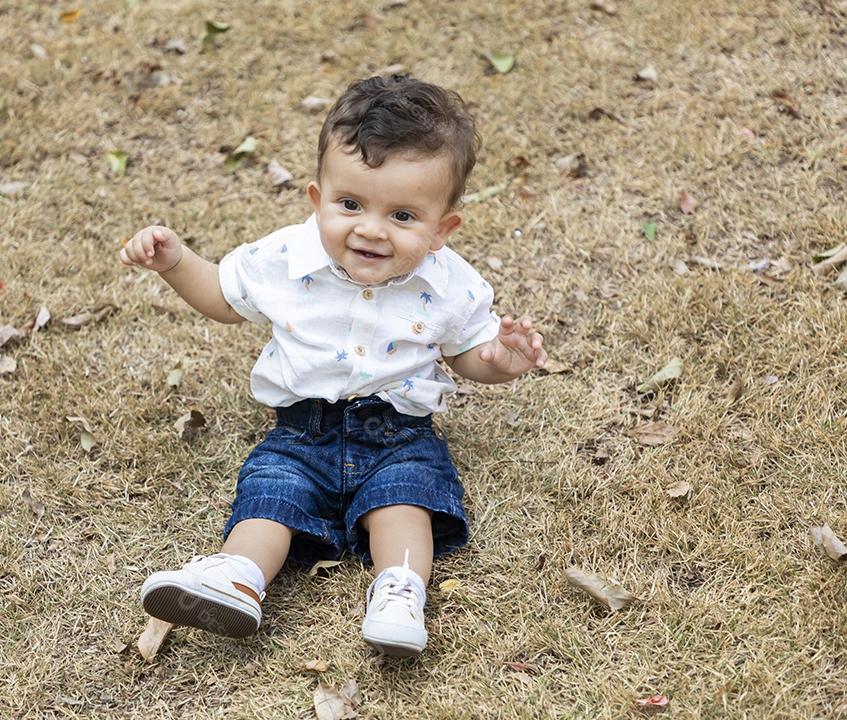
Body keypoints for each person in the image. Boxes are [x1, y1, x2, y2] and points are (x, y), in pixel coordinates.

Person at [119, 74, 547, 657]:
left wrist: (501, 360)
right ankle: (238, 577)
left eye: (402, 216)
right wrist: (175, 261)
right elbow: (221, 298)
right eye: (350, 205)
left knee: (405, 500)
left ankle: (399, 592)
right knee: (271, 496)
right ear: (318, 199)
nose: (370, 229)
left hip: (399, 435)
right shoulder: (283, 258)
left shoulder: (450, 284)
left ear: (442, 229)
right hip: (301, 430)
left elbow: (469, 353)